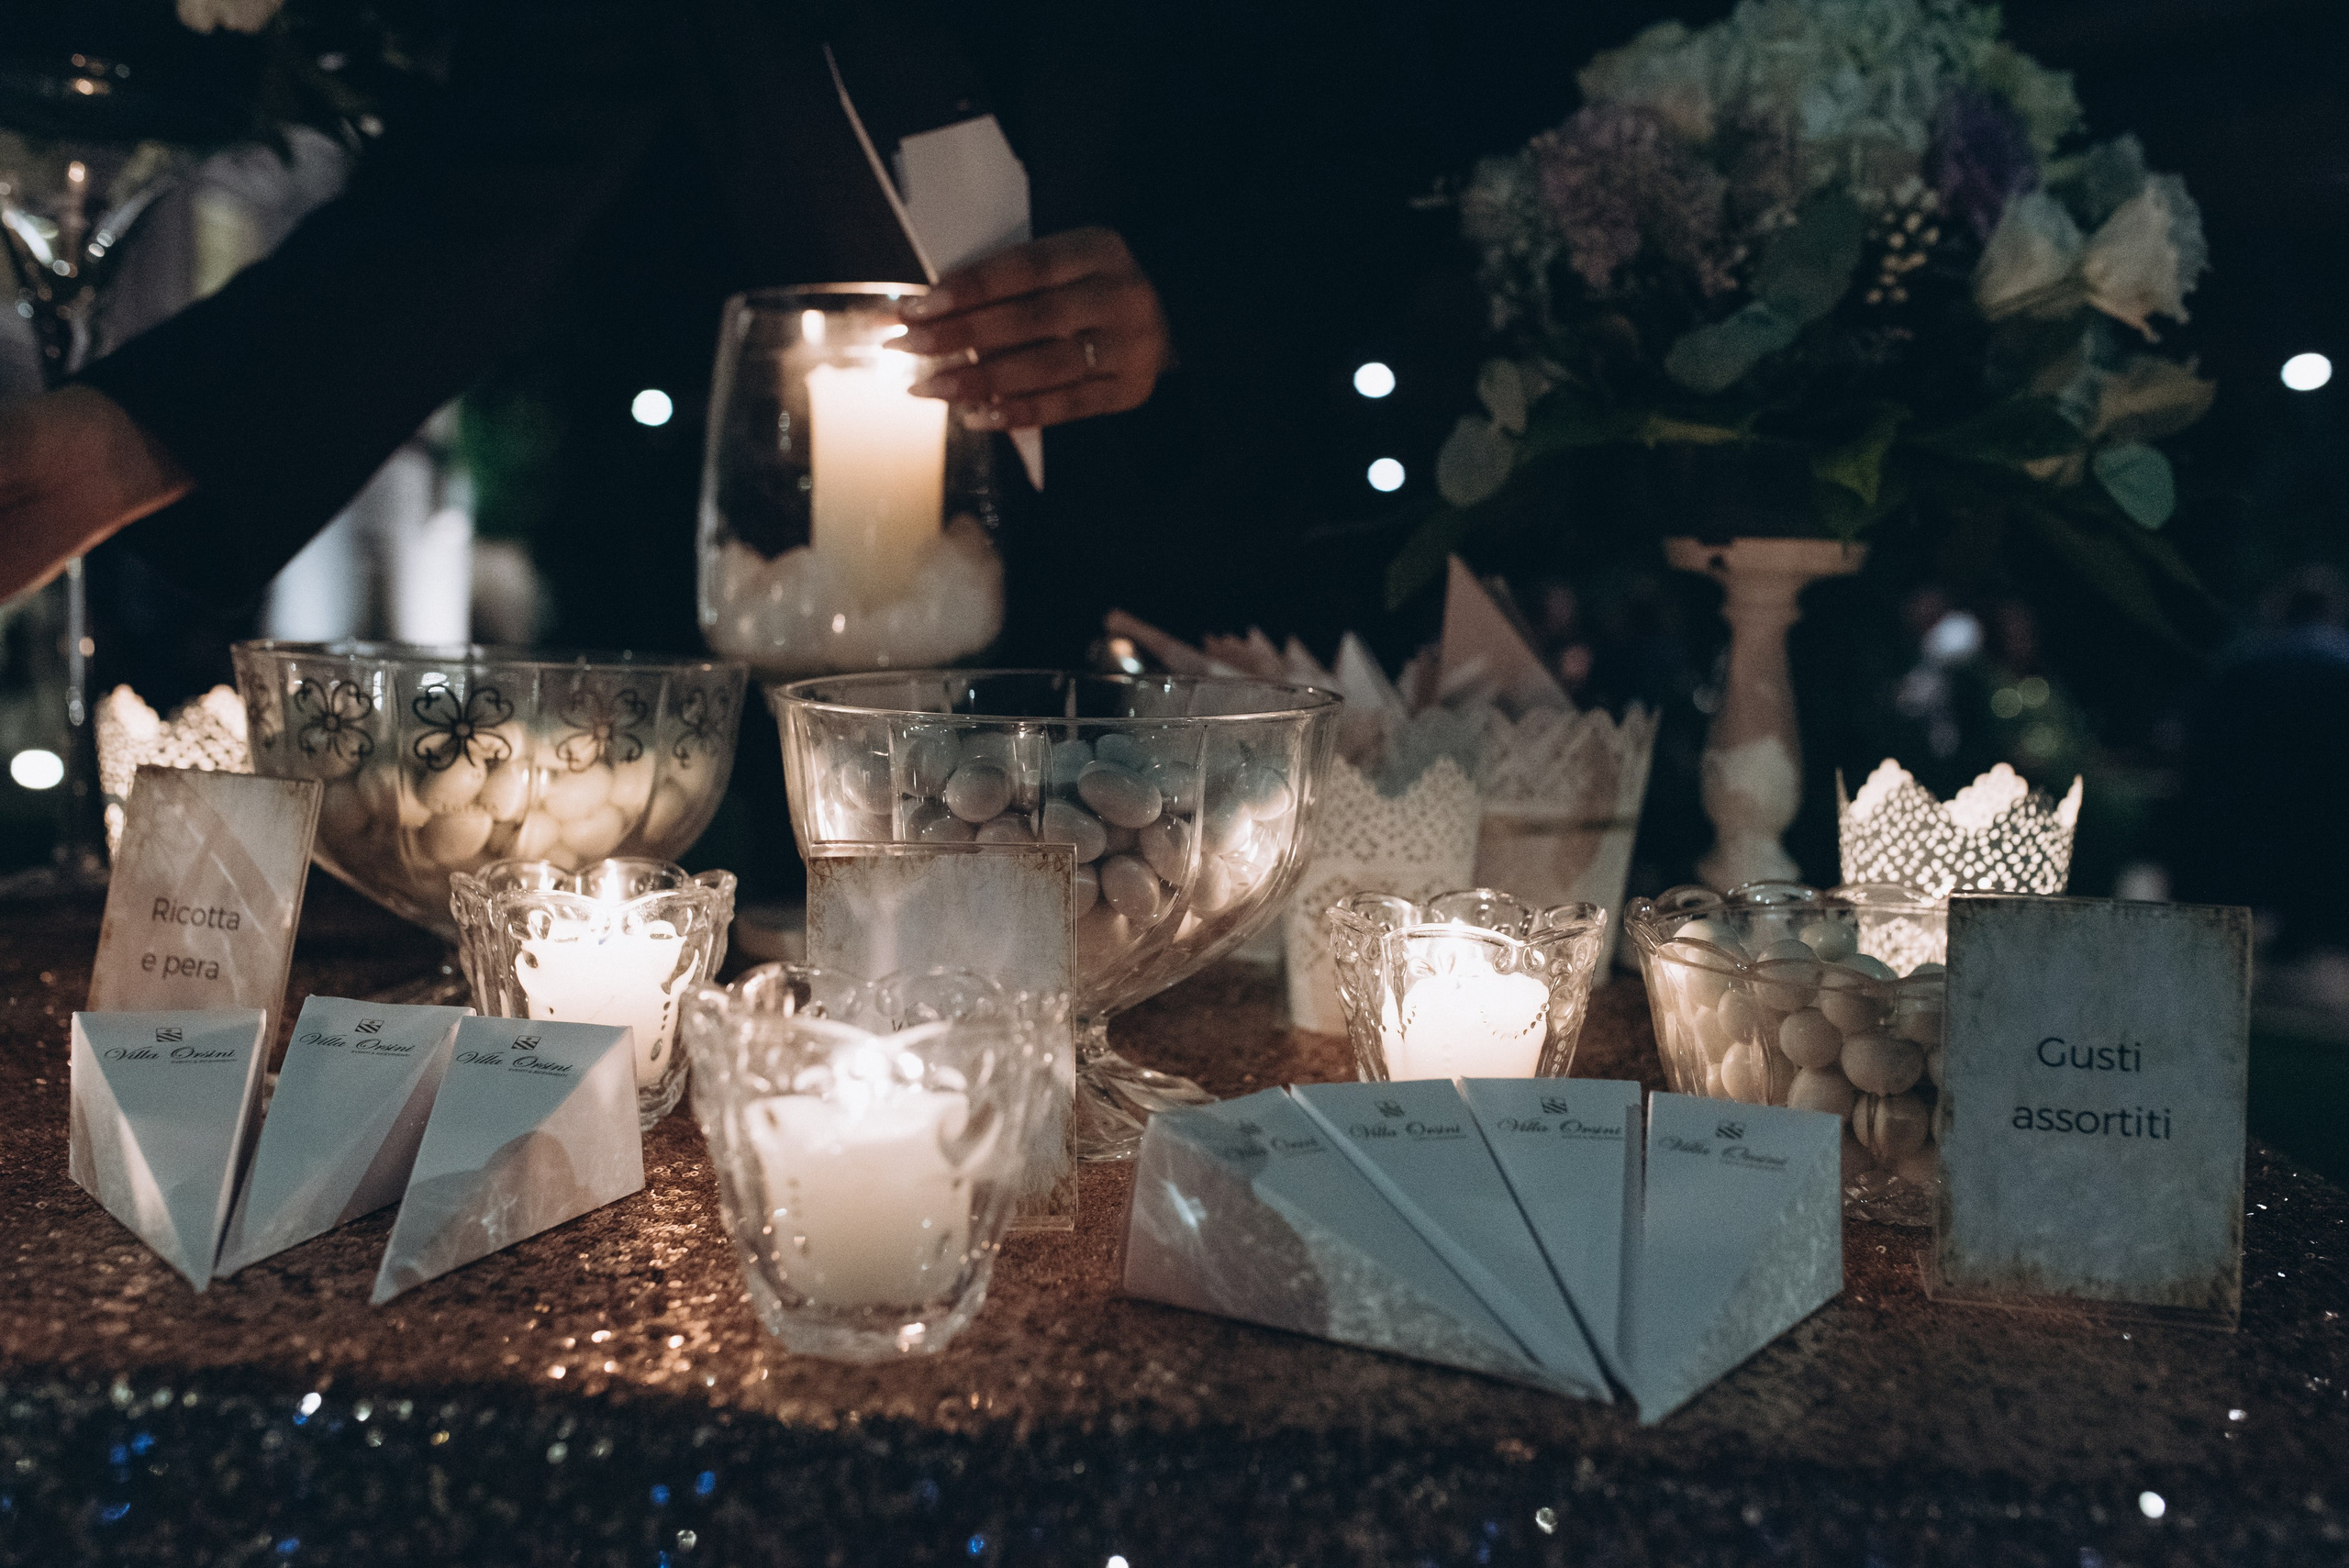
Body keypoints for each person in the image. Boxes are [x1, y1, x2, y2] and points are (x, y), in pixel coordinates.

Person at [0, 0, 1174, 628]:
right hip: (850, 611)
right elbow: (491, 178)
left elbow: (1318, 94)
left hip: (1264, 569)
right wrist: (134, 435)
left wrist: (1196, 298)